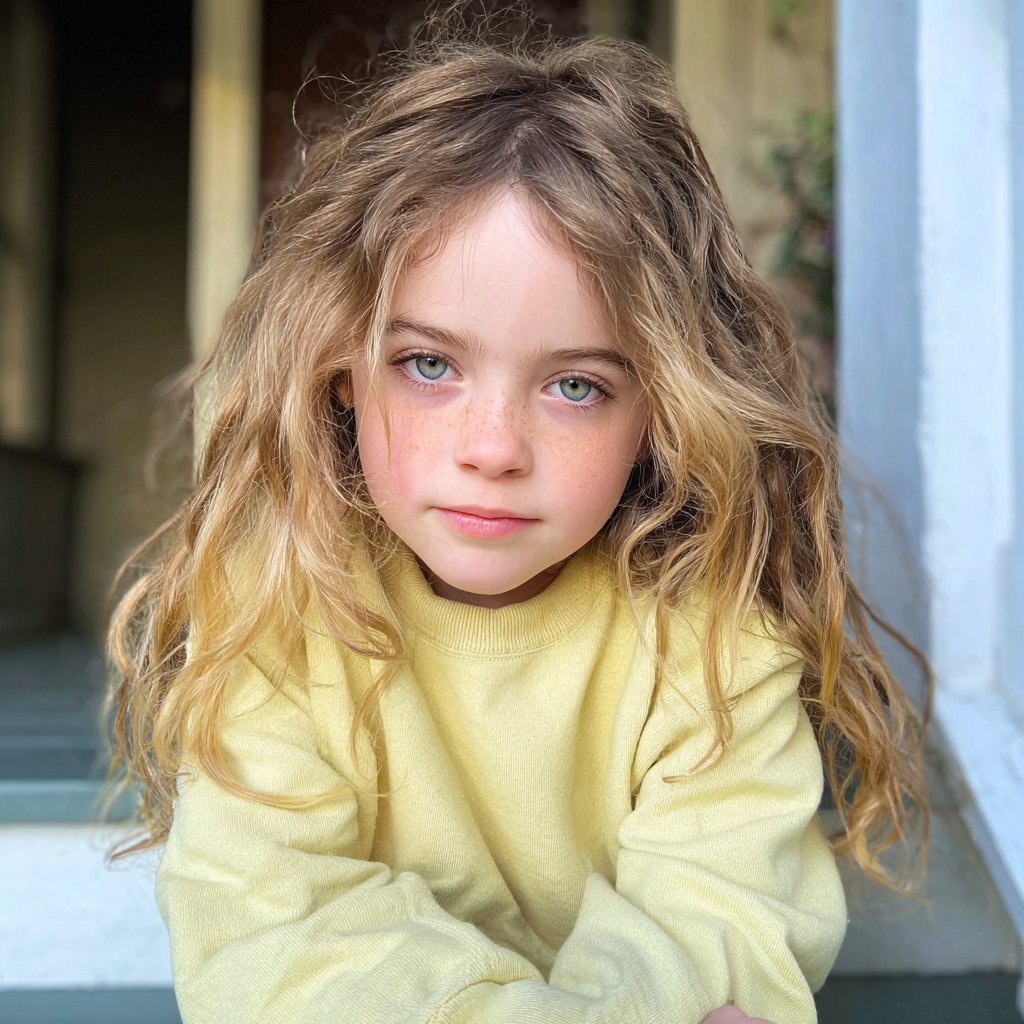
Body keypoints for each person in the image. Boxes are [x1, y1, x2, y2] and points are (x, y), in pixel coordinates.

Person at [106, 10, 928, 1024]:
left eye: (575, 385)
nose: (493, 446)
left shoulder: (710, 634)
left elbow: (724, 921)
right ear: (340, 374)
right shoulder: (280, 604)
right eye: (429, 364)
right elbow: (271, 936)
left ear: (664, 407)